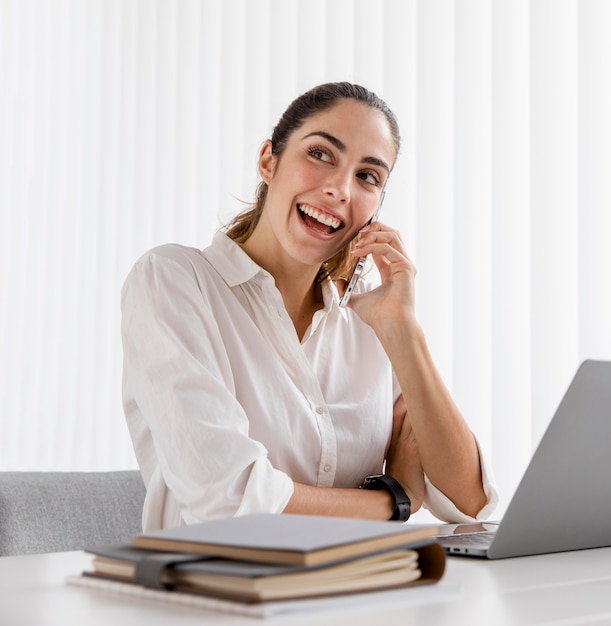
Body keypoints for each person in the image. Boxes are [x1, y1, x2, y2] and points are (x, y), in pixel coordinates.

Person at [121, 82, 498, 531]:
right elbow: (228, 500)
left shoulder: (369, 324)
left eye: (368, 176)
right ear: (269, 160)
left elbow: (470, 505)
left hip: (353, 592)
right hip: (215, 593)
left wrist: (404, 332)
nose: (339, 188)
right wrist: (394, 500)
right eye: (320, 154)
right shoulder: (174, 280)